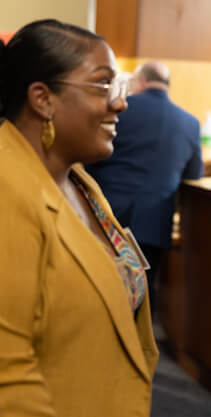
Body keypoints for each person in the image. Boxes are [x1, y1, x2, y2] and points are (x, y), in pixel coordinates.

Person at [0, 19, 158, 416]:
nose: (120, 102)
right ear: (42, 98)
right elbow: (8, 375)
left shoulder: (80, 182)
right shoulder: (6, 188)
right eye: (103, 85)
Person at [85, 60, 204, 317]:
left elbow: (88, 157)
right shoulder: (190, 123)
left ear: (140, 82)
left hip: (106, 217)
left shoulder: (119, 109)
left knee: (97, 293)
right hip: (154, 223)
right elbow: (195, 176)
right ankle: (140, 354)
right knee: (143, 298)